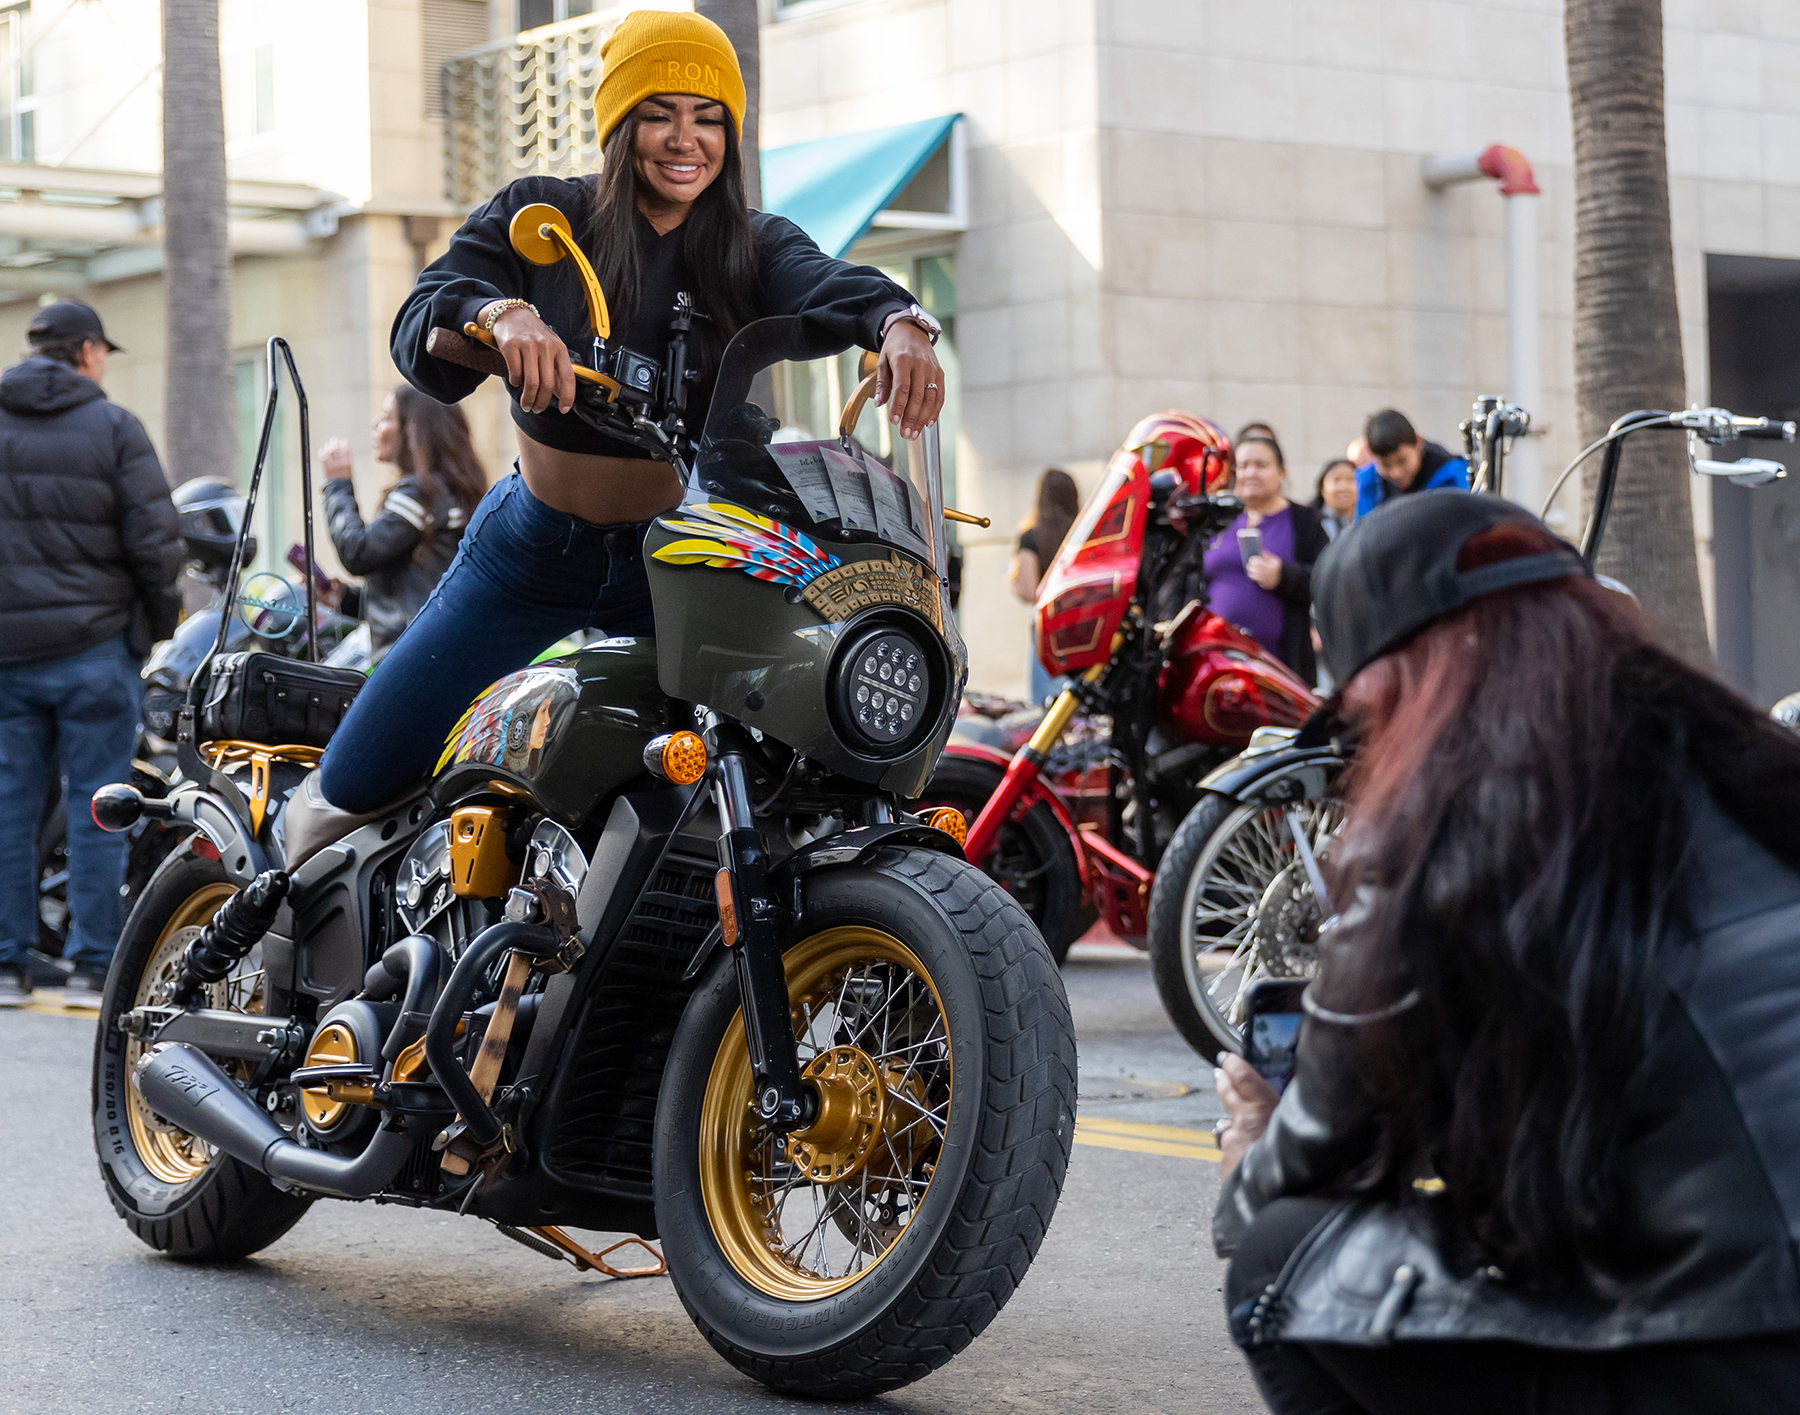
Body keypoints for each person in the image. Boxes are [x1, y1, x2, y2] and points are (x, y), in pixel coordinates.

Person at [1212, 493, 1800, 1413]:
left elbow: (1285, 1180)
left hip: (1740, 1347)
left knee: (1278, 1251)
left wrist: (1249, 1145)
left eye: (1358, 729)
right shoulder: (1746, 760)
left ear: (1400, 683)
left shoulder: (1442, 831)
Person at [299, 9, 944, 834]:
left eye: (709, 119)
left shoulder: (754, 246)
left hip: (680, 561)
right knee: (354, 781)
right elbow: (423, 313)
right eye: (659, 114)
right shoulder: (546, 216)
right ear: (618, 125)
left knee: (764, 790)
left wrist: (899, 323)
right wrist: (502, 314)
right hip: (533, 550)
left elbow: (832, 283)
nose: (687, 140)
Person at [0, 300, 180, 1005]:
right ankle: (90, 961)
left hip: (9, 654)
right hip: (95, 650)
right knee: (102, 803)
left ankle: (8, 961)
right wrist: (154, 624)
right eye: (103, 349)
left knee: (10, 804)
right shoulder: (114, 428)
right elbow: (155, 543)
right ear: (83, 351)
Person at [319, 387, 487, 667]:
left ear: (414, 430)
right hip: (434, 649)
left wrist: (337, 485)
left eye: (386, 417)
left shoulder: (423, 493)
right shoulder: (445, 490)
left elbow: (357, 552)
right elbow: (413, 591)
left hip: (413, 656)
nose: (375, 425)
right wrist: (345, 598)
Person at [1200, 433, 1327, 685]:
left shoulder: (1305, 522)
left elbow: (1327, 579)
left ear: (1281, 472)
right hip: (1214, 666)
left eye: (1261, 465)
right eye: (1243, 466)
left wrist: (1284, 577)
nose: (1250, 473)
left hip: (1280, 670)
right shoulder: (1214, 521)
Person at [1009, 467, 1080, 704]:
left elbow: (1029, 592)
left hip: (1047, 625)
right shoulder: (1083, 534)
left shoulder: (1032, 537)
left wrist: (1014, 580)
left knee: (1045, 705)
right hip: (1083, 620)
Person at [1353, 408, 1467, 516]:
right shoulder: (1368, 484)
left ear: (1418, 442)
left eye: (1402, 461)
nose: (1396, 473)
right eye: (1385, 465)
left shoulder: (1454, 477)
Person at [1310, 457, 1357, 540]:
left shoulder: (1367, 522)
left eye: (1350, 479)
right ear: (1322, 487)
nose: (1343, 487)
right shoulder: (1308, 522)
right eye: (1336, 479)